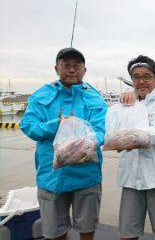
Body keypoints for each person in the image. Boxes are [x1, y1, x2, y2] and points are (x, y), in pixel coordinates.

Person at [20, 48, 107, 240]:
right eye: (65, 65)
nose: (71, 69)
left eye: (77, 65)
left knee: (87, 226)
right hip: (51, 176)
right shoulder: (40, 96)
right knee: (54, 230)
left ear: (85, 70)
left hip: (87, 175)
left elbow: (102, 130)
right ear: (56, 69)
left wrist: (82, 144)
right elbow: (28, 126)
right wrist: (57, 125)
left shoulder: (95, 97)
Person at [118, 55, 155, 240]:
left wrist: (127, 139)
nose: (141, 81)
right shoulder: (126, 102)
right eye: (136, 77)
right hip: (131, 177)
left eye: (147, 76)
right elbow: (114, 128)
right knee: (127, 230)